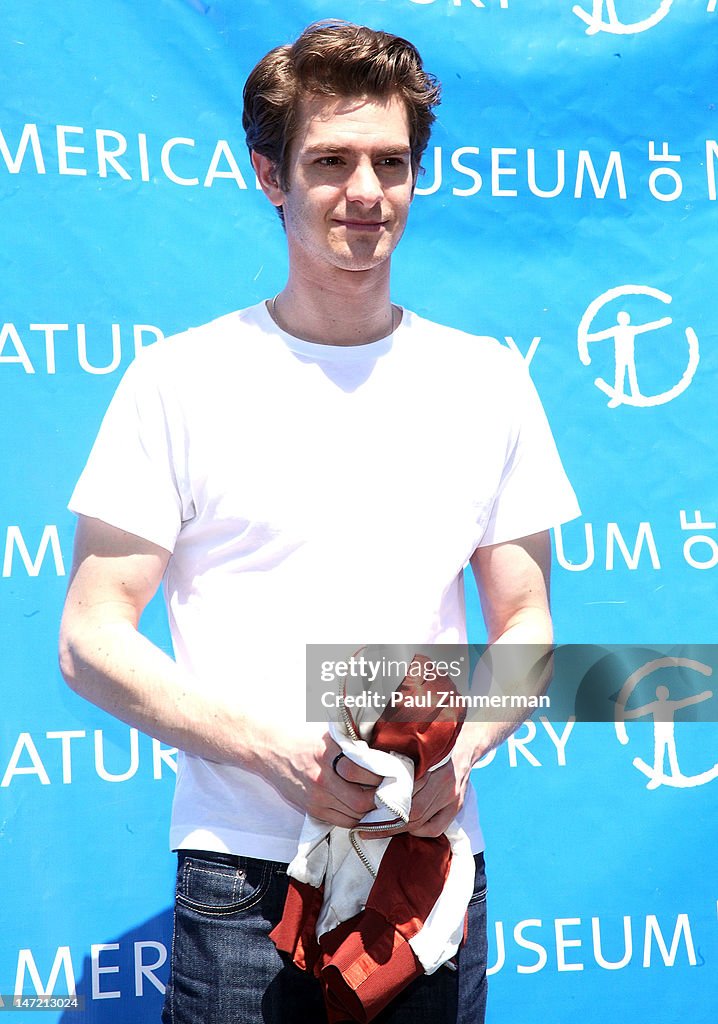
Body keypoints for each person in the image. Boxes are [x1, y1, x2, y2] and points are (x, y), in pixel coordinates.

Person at [59, 20, 580, 1024]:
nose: (365, 191)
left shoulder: (488, 381)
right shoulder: (180, 380)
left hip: (424, 873)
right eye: (330, 160)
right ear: (270, 173)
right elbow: (90, 637)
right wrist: (276, 753)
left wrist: (460, 756)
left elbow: (527, 629)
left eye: (391, 162)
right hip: (242, 882)